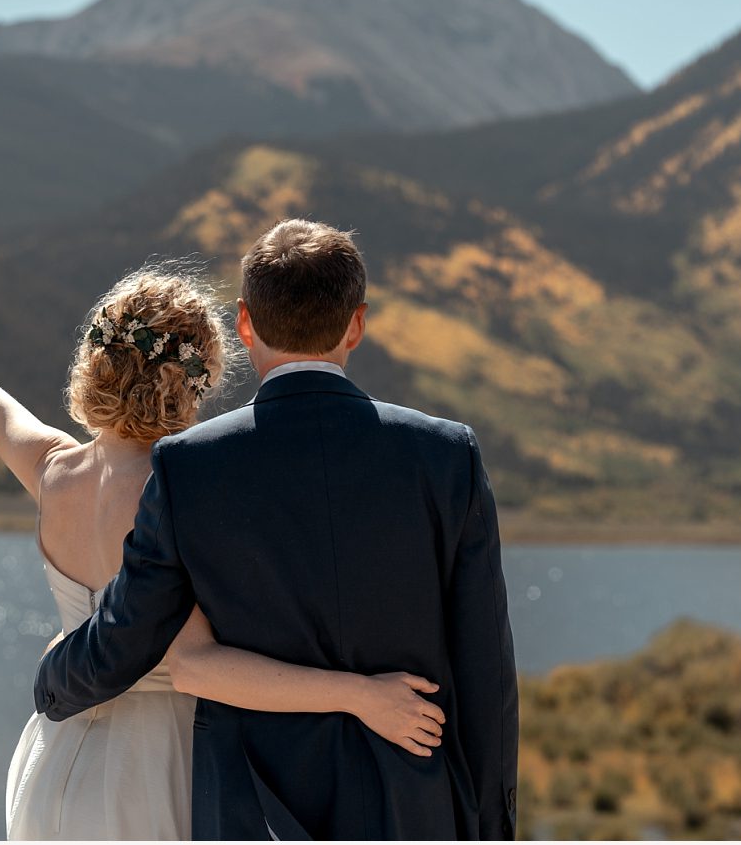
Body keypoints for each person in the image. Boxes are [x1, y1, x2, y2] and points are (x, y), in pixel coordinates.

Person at [0, 263, 447, 840]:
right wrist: (362, 695)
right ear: (195, 378)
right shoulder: (179, 491)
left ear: (95, 362)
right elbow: (195, 665)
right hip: (152, 769)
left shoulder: (52, 467)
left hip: (50, 756)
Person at [35, 219, 519, 840]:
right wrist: (491, 826)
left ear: (244, 324)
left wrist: (51, 682)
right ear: (357, 324)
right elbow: (486, 666)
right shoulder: (446, 454)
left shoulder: (187, 466)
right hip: (415, 803)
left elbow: (127, 635)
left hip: (252, 808)